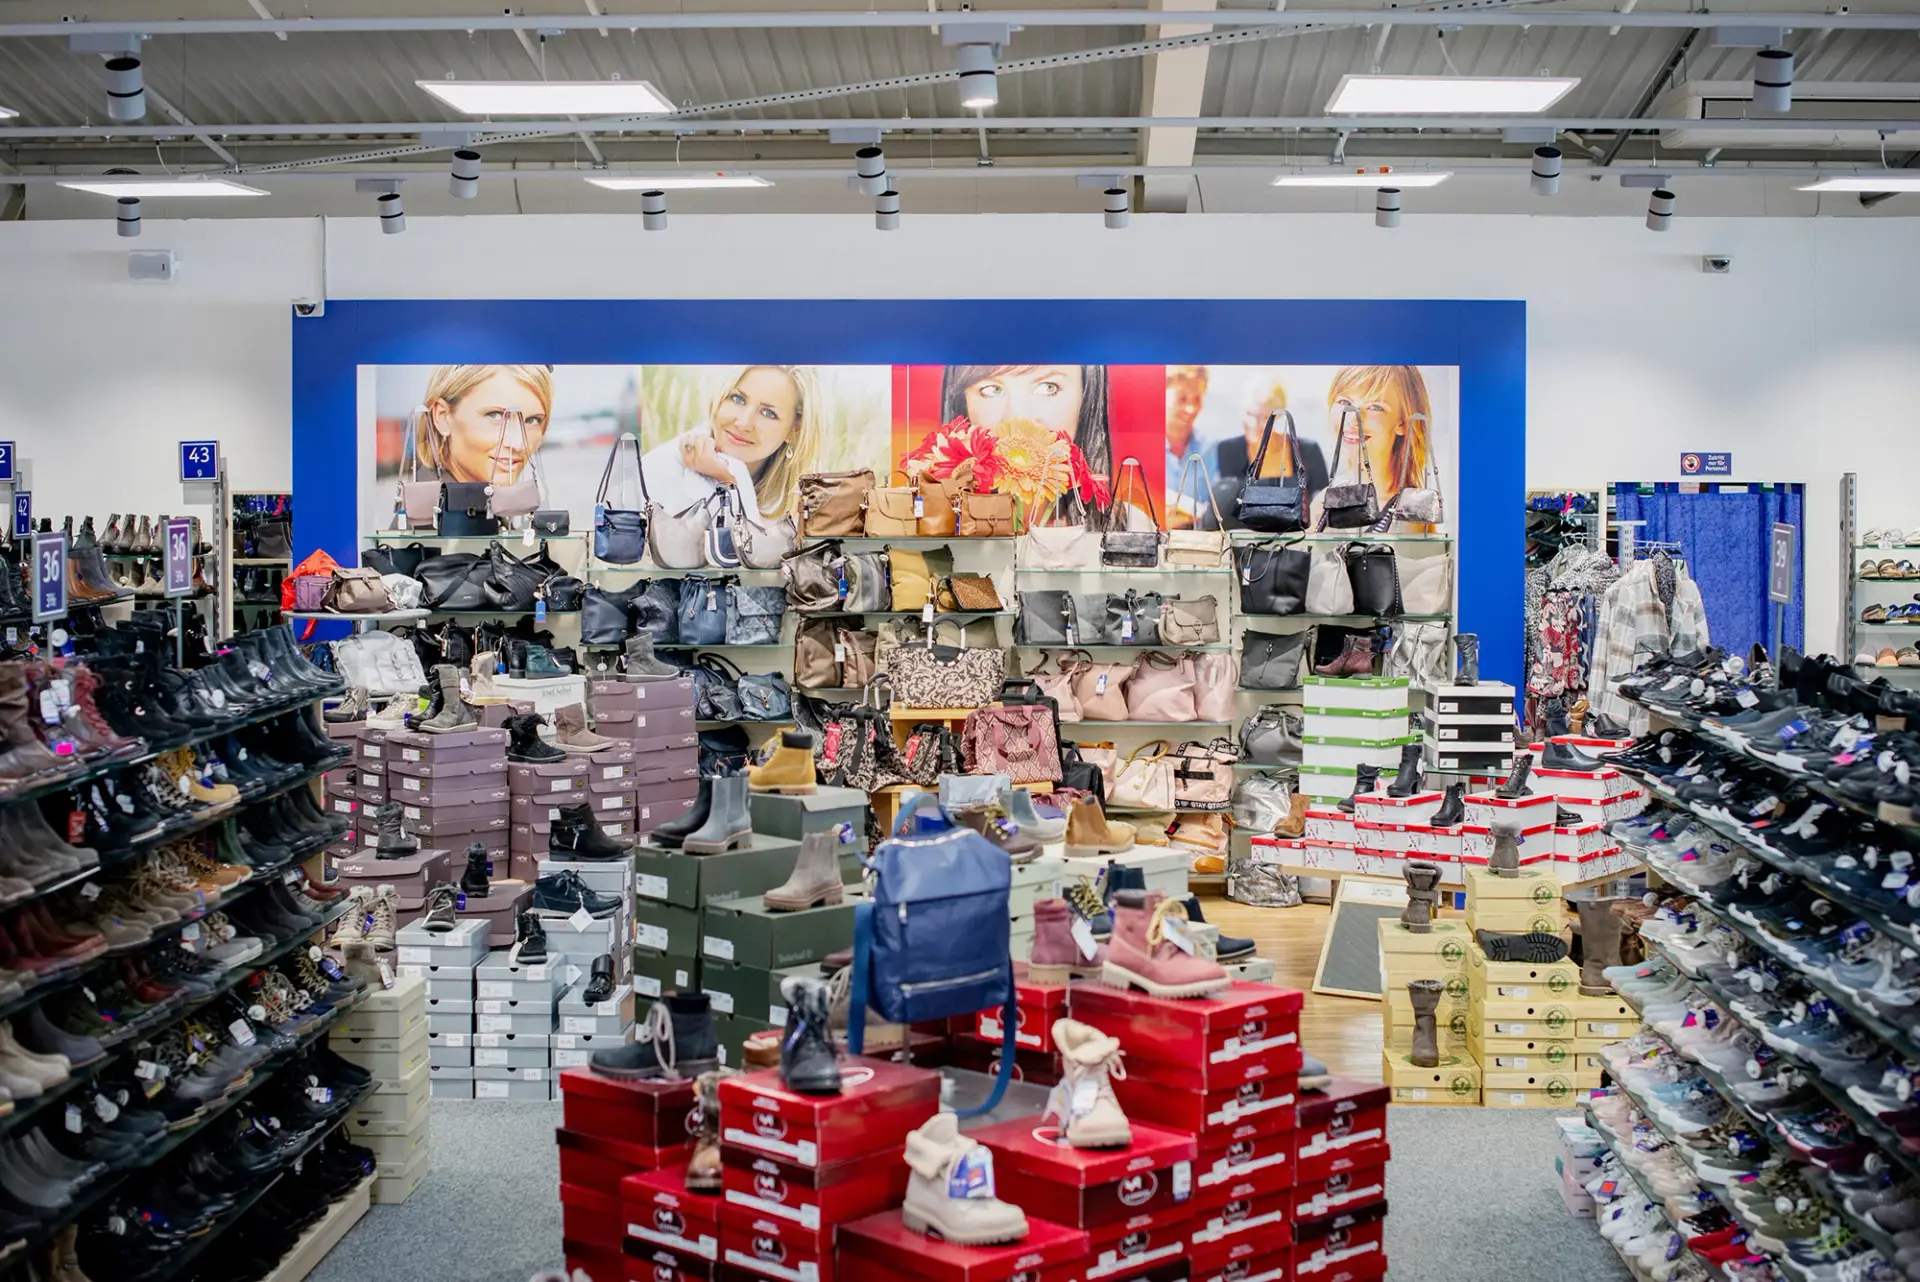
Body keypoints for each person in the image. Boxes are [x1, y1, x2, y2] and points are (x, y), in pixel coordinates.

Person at [939, 364, 1116, 526]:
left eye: (1048, 387)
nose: (1018, 417)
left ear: (1086, 395)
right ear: (962, 401)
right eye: (992, 390)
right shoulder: (935, 525)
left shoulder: (1126, 526)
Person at [641, 365, 819, 522]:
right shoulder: (661, 471)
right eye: (738, 399)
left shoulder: (805, 499)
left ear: (794, 430)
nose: (743, 423)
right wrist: (729, 482)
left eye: (768, 413)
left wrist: (728, 478)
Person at [413, 364, 553, 486]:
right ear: (442, 417)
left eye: (533, 420)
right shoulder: (432, 508)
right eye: (495, 416)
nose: (518, 444)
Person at [1326, 364, 1432, 497]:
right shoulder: (1324, 502)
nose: (1352, 420)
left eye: (1375, 407)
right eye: (1345, 402)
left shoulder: (1416, 507)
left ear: (1403, 423)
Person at [1164, 365, 1210, 530]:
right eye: (1182, 399)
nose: (1191, 409)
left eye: (1197, 399)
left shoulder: (1211, 451)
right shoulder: (1141, 447)